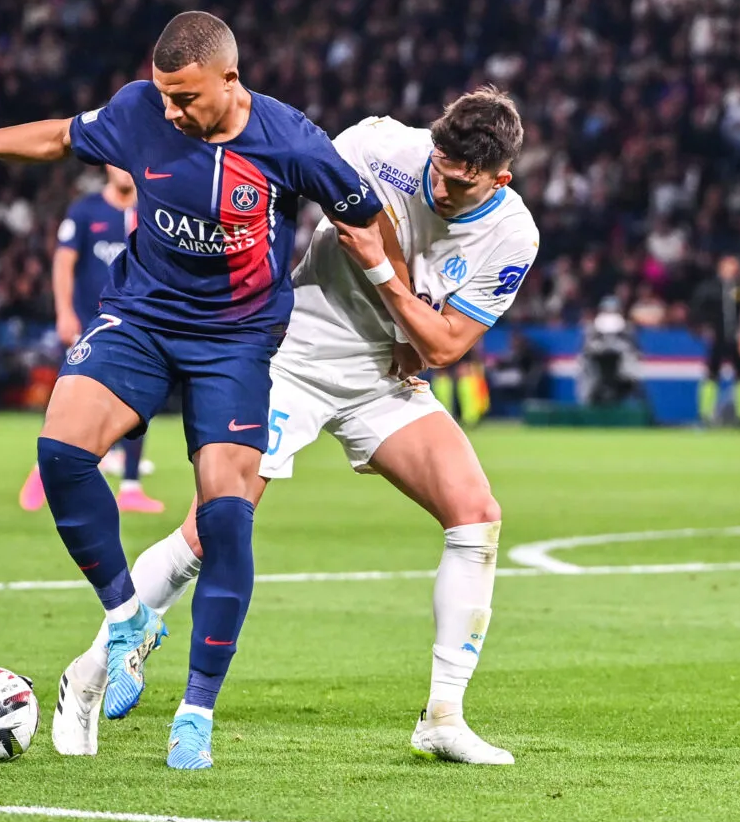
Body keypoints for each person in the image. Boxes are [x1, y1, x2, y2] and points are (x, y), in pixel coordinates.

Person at [0, 11, 383, 769]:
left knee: (225, 518)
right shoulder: (137, 111)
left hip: (235, 342)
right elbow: (56, 137)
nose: (172, 112)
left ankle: (196, 712)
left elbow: (365, 223)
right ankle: (125, 620)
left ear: (230, 79)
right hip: (141, 318)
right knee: (60, 452)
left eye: (187, 98)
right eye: (165, 96)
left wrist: (407, 318)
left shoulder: (291, 142)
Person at [53, 90, 539, 765]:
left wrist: (394, 298)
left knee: (476, 513)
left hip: (382, 379)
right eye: (440, 168)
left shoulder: (514, 235)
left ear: (500, 179)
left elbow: (446, 344)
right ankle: (92, 666)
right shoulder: (375, 143)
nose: (444, 186)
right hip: (294, 353)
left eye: (462, 183)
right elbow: (289, 189)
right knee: (212, 526)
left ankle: (442, 715)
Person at [18, 165, 164, 514]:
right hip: (90, 324)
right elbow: (64, 264)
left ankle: (130, 487)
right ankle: (43, 469)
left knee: (139, 400)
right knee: (70, 400)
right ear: (106, 165)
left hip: (138, 323)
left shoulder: (153, 209)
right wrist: (64, 312)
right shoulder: (86, 210)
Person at [691, 254, 740, 425]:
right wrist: (703, 327)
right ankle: (705, 414)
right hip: (718, 338)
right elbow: (698, 309)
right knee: (712, 375)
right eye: (727, 266)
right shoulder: (710, 288)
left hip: (737, 338)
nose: (731, 270)